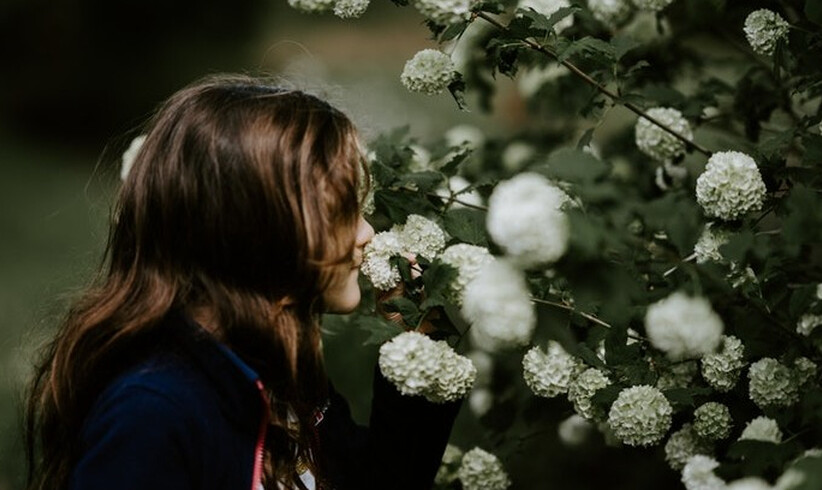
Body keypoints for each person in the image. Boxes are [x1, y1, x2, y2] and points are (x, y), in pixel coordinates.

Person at [24, 74, 462, 490]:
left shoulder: (278, 372)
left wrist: (420, 345)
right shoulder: (151, 415)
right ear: (261, 229)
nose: (366, 233)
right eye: (342, 211)